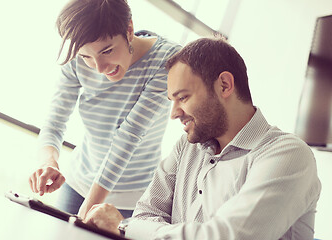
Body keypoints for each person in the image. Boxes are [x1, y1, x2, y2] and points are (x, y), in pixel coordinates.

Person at [82, 36, 322, 239]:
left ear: (225, 85)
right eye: (172, 101)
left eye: (183, 98)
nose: (174, 113)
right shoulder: (186, 148)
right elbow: (145, 214)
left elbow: (226, 236)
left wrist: (126, 227)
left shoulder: (288, 155)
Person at [28, 0, 181, 219]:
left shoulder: (166, 60)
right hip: (78, 184)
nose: (99, 68)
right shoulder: (77, 54)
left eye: (107, 51)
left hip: (133, 199)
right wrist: (48, 161)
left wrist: (83, 215)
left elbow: (129, 136)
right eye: (86, 57)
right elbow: (55, 120)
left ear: (129, 30)